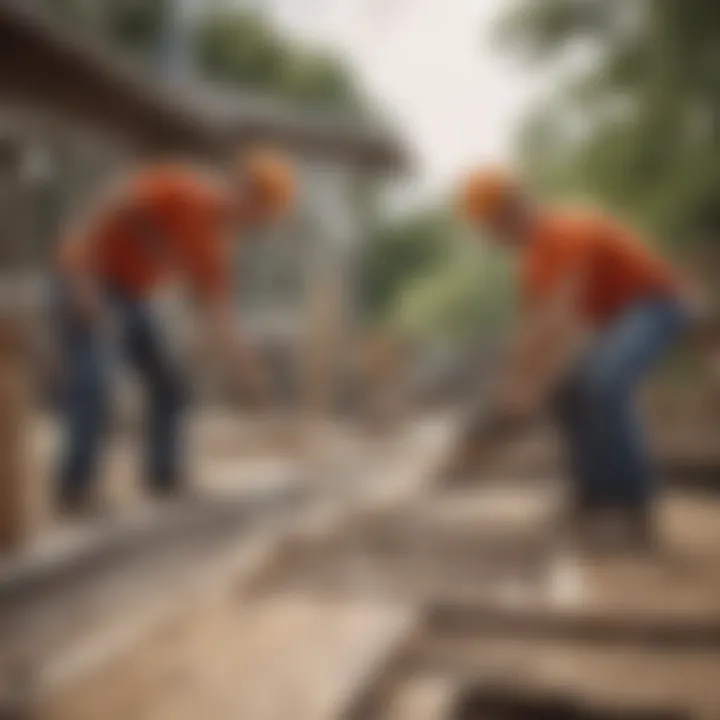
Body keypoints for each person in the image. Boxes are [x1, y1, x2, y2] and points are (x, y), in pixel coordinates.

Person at [53, 148, 296, 516]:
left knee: (171, 382)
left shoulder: (214, 247)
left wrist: (249, 376)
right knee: (96, 379)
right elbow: (106, 206)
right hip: (89, 279)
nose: (258, 224)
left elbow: (218, 315)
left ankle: (164, 477)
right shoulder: (182, 191)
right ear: (246, 192)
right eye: (262, 213)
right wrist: (81, 277)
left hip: (133, 296)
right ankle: (76, 487)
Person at [457, 168, 691, 549]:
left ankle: (630, 506)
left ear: (509, 210)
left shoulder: (568, 231)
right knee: (566, 391)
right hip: (616, 320)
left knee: (604, 383)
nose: (492, 237)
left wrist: (521, 393)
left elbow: (559, 318)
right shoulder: (532, 262)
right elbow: (533, 334)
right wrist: (511, 390)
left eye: (490, 226)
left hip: (655, 306)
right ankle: (593, 496)